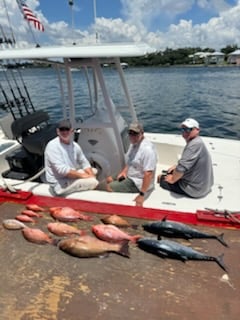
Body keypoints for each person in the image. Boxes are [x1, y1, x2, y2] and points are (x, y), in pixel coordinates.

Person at [103, 122, 158, 207]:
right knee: (108, 179)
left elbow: (148, 174)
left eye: (135, 133)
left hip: (137, 182)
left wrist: (142, 194)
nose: (132, 136)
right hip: (130, 175)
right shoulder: (134, 144)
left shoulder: (147, 150)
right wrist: (124, 172)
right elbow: (130, 161)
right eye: (130, 133)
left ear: (142, 133)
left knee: (108, 187)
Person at [158, 118, 213, 198]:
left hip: (195, 190)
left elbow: (181, 169)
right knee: (171, 171)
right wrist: (176, 167)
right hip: (204, 186)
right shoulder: (198, 142)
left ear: (197, 130)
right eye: (183, 129)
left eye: (188, 129)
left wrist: (172, 179)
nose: (185, 132)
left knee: (161, 178)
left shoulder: (193, 146)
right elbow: (186, 163)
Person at [44, 119, 98, 195]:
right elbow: (62, 170)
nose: (64, 132)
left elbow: (84, 162)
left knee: (94, 171)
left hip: (69, 178)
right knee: (93, 182)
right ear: (57, 131)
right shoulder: (52, 146)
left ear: (72, 131)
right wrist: (84, 176)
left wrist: (90, 174)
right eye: (62, 129)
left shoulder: (75, 146)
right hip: (59, 184)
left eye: (67, 129)